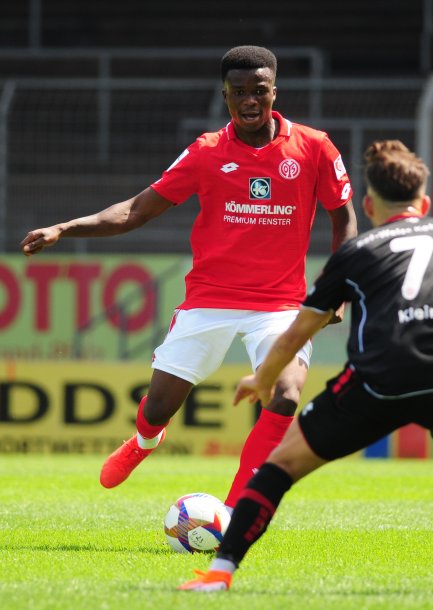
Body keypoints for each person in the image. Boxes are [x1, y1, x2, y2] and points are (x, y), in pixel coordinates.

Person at [178, 139, 433, 592]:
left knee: (279, 467)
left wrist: (262, 377)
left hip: (376, 384)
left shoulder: (355, 254)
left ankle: (219, 575)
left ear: (368, 204)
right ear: (426, 202)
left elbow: (301, 328)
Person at [19, 45, 357, 510]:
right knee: (158, 407)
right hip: (210, 300)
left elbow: (344, 219)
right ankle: (143, 441)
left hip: (280, 306)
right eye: (239, 92)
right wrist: (64, 227)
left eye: (259, 90)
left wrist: (334, 292)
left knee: (285, 392)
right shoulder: (206, 152)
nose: (250, 100)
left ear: (274, 91)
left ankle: (241, 507)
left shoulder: (314, 147)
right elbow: (136, 211)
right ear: (225, 96)